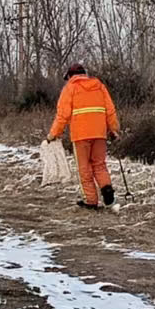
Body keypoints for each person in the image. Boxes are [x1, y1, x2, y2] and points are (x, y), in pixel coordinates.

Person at [45, 63, 122, 209]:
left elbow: (63, 115)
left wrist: (53, 134)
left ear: (69, 76)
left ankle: (91, 200)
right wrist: (113, 129)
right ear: (84, 73)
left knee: (84, 168)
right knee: (99, 165)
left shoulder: (70, 88)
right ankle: (107, 189)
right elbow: (110, 110)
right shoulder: (99, 86)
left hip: (81, 135)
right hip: (100, 133)